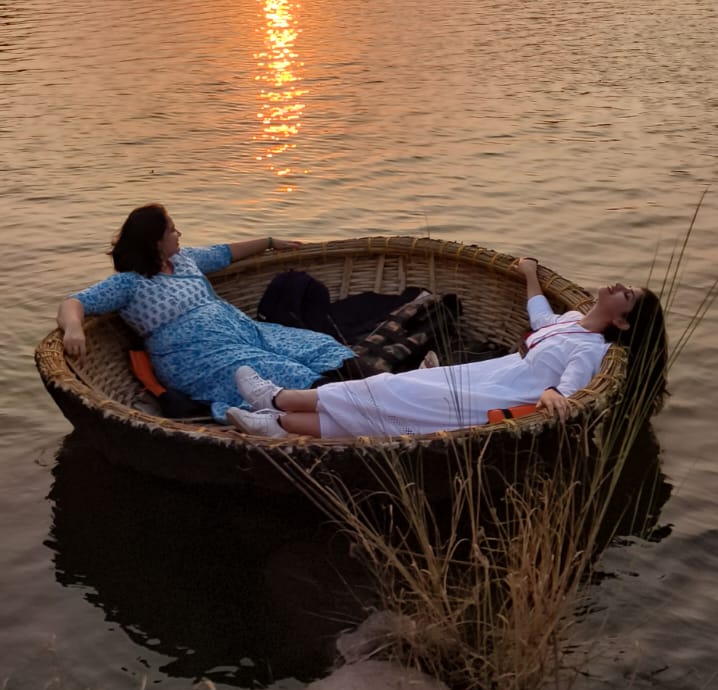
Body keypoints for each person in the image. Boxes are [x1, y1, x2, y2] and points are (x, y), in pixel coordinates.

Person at [226, 257, 667, 440]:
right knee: (387, 390)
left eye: (625, 294)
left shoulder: (590, 352)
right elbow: (539, 316)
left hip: (494, 398)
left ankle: (279, 402)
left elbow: (568, 396)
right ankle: (280, 424)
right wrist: (530, 273)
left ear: (622, 320)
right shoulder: (571, 322)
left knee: (390, 398)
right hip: (485, 375)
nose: (617, 285)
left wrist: (552, 396)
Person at [57, 204, 356, 422]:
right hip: (196, 357)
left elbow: (226, 252)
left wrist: (269, 242)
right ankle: (364, 411)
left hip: (243, 332)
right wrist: (74, 328)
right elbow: (74, 302)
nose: (179, 234)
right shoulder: (128, 283)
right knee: (285, 373)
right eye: (172, 229)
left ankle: (389, 390)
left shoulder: (186, 260)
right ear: (155, 242)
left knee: (320, 347)